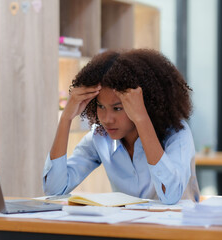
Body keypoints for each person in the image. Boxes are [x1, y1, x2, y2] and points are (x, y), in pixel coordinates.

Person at [42, 49, 200, 204]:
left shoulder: (177, 134)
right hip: (126, 229)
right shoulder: (100, 138)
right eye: (101, 106)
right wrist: (65, 118)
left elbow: (170, 195)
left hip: (176, 228)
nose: (107, 119)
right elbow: (54, 190)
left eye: (117, 108)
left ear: (142, 104)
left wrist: (142, 119)